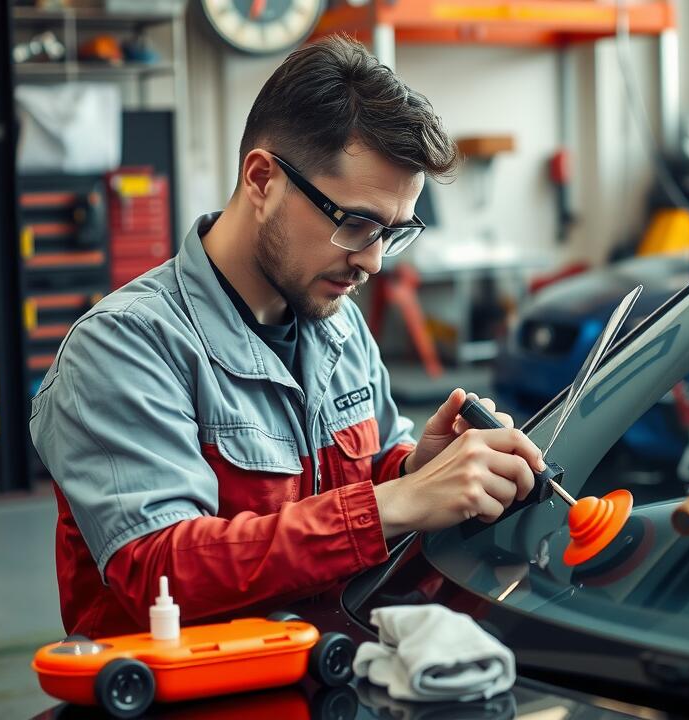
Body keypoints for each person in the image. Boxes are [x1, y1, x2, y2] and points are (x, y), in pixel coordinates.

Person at [30, 36, 545, 638]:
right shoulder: (125, 346)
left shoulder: (338, 322)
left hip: (327, 670)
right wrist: (394, 504)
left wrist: (412, 471)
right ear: (261, 179)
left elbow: (357, 485)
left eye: (393, 232)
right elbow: (159, 573)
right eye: (357, 223)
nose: (374, 261)